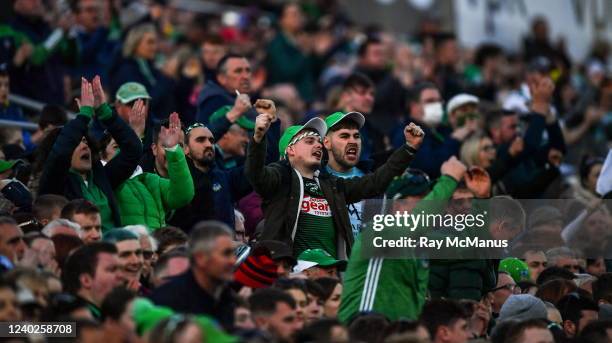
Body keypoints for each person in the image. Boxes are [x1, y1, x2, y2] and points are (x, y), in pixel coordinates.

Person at [246, 106, 425, 258]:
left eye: (318, 141)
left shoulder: (330, 185)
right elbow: (256, 175)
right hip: (294, 273)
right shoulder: (280, 179)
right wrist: (258, 139)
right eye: (309, 141)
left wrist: (408, 149)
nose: (318, 145)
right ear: (290, 150)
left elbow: (375, 183)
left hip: (332, 273)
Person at [339, 157, 465, 323]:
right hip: (363, 330)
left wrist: (481, 198)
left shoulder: (421, 242)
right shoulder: (380, 230)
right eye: (423, 200)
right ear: (398, 205)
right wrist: (449, 180)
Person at [38, 76, 142, 231]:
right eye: (76, 143)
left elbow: (133, 149)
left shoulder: (102, 177)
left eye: (86, 141)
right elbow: (59, 156)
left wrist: (105, 112)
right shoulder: (56, 184)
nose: (84, 146)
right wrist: (84, 115)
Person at [149, 221, 237, 330]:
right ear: (200, 258)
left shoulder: (227, 296)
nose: (233, 260)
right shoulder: (166, 301)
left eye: (233, 253)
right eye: (226, 254)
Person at [113, 112, 195, 229]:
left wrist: (173, 149)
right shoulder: (109, 179)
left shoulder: (151, 181)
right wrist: (133, 137)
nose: (169, 149)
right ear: (154, 149)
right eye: (165, 145)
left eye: (178, 145)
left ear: (186, 150)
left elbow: (183, 195)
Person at [169, 121, 252, 231]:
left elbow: (256, 169)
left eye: (211, 140)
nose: (208, 144)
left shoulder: (225, 179)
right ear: (185, 149)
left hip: (227, 246)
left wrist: (264, 132)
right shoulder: (177, 181)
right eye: (200, 140)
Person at [392, 82, 470, 178]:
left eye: (439, 101)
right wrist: (454, 139)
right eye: (430, 101)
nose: (437, 105)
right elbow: (428, 167)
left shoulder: (441, 130)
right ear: (413, 106)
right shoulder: (405, 133)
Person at [109, 23, 175, 119]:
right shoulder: (126, 71)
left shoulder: (151, 67)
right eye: (150, 42)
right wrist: (166, 78)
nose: (154, 47)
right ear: (135, 44)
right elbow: (142, 105)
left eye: (155, 42)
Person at [323, 111, 367, 238]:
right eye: (344, 136)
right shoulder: (316, 181)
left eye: (356, 136)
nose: (353, 141)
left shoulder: (372, 180)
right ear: (327, 143)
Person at [61, 242, 123, 320]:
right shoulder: (65, 321)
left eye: (121, 269)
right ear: (86, 280)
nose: (121, 276)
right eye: (112, 270)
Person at [336, 73, 388, 162]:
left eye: (372, 94)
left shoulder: (374, 131)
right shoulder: (331, 125)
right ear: (346, 96)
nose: (369, 98)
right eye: (362, 92)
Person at [196, 53, 256, 125]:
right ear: (222, 78)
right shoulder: (214, 100)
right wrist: (235, 113)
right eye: (238, 71)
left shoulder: (253, 98)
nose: (246, 76)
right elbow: (205, 132)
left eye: (248, 70)